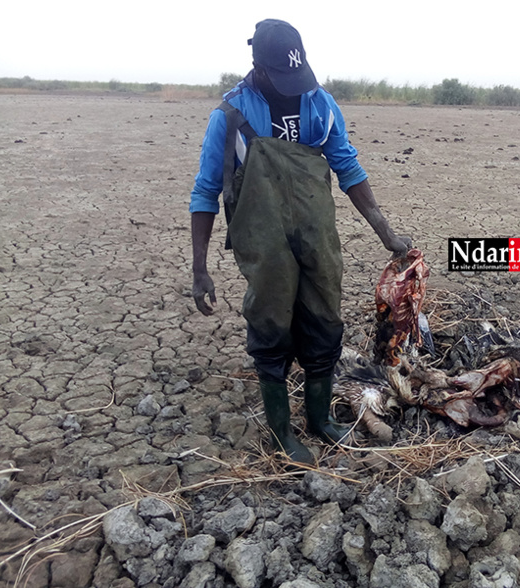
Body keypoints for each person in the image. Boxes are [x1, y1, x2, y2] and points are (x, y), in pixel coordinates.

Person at [189, 19, 411, 464]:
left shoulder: (320, 104)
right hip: (264, 237)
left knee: (325, 321)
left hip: (315, 231)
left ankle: (319, 420)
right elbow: (205, 190)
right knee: (271, 327)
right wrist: (199, 267)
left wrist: (385, 231)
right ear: (260, 68)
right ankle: (280, 433)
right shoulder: (231, 115)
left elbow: (347, 166)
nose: (295, 88)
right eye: (283, 78)